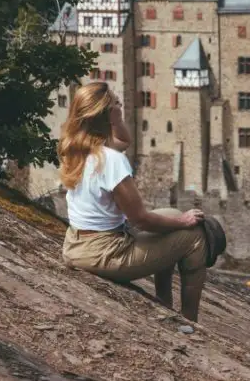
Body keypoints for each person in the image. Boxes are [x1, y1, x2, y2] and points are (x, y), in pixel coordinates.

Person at [58, 82, 208, 322]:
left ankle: (164, 302)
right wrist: (184, 221)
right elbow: (141, 219)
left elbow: (124, 141)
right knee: (195, 236)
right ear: (106, 114)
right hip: (104, 252)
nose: (120, 106)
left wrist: (115, 122)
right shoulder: (111, 160)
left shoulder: (75, 147)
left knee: (169, 212)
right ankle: (190, 321)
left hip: (76, 243)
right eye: (116, 104)